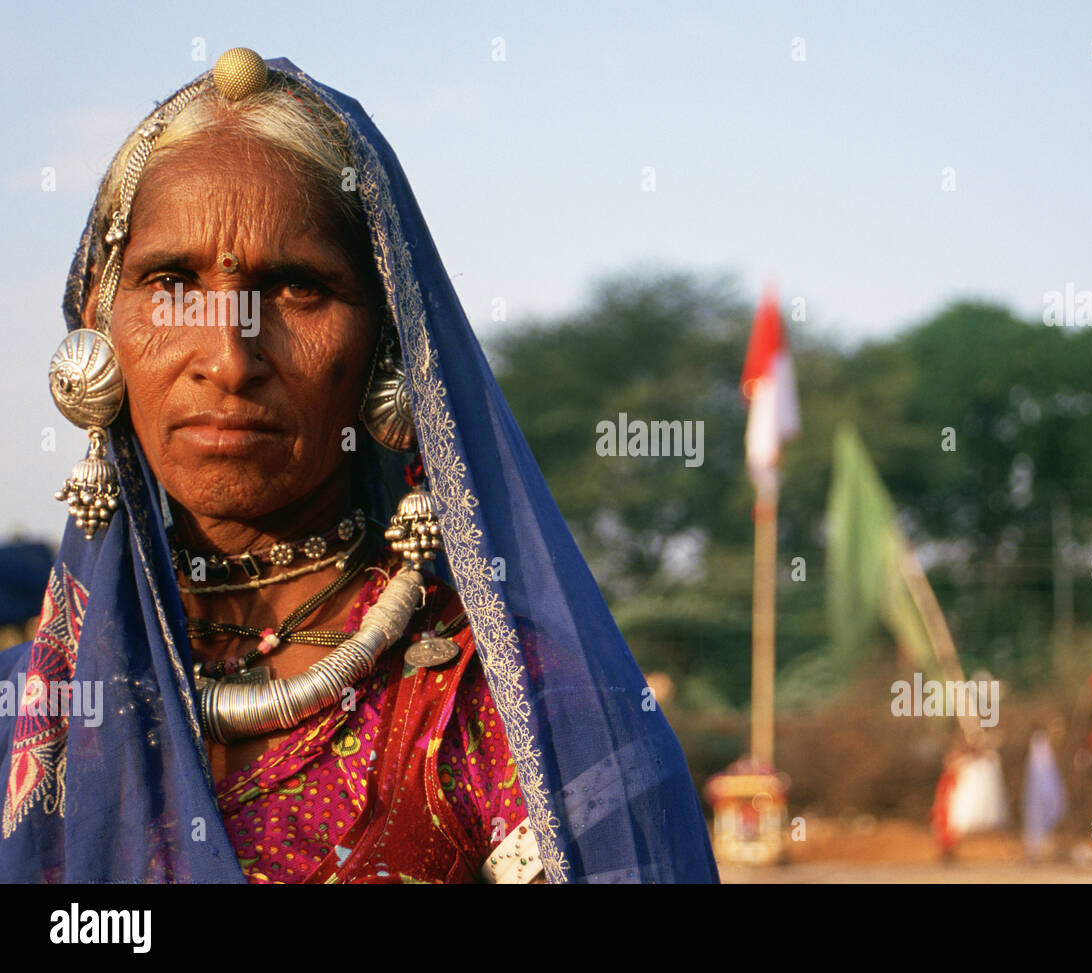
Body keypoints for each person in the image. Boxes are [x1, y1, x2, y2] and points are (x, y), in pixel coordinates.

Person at [0, 48, 718, 883]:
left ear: (386, 339)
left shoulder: (522, 714)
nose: (229, 359)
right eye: (170, 284)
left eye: (297, 289)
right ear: (99, 321)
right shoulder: (30, 711)